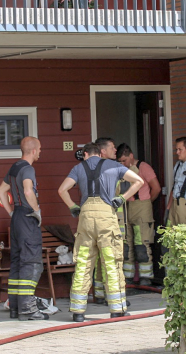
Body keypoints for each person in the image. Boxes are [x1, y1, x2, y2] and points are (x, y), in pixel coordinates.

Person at [57, 142, 144, 322]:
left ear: (86, 154)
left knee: (83, 263)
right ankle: (117, 309)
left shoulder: (78, 167)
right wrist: (121, 198)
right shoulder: (114, 166)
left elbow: (62, 190)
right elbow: (139, 182)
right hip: (106, 216)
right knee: (111, 263)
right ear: (100, 153)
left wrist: (73, 206)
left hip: (86, 217)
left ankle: (78, 312)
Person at [0, 136, 48, 321]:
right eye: (40, 148)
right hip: (27, 217)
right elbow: (28, 191)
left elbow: (1, 191)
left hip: (16, 218)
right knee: (32, 262)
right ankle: (28, 309)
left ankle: (15, 307)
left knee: (17, 263)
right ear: (33, 150)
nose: (40, 152)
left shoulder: (14, 167)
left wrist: (11, 212)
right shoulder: (28, 169)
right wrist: (37, 211)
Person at [116, 142, 161, 286]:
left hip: (141, 207)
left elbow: (156, 188)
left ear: (131, 156)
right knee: (127, 244)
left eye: (124, 160)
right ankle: (128, 276)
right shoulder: (121, 170)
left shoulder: (143, 167)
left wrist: (146, 202)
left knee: (142, 243)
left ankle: (146, 277)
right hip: (126, 208)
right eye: (120, 162)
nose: (123, 164)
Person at [92, 137, 124, 305]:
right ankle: (112, 296)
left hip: (96, 219)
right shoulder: (111, 168)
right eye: (112, 147)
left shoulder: (90, 168)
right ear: (103, 151)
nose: (115, 150)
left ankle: (99, 293)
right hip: (109, 219)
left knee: (99, 258)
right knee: (111, 258)